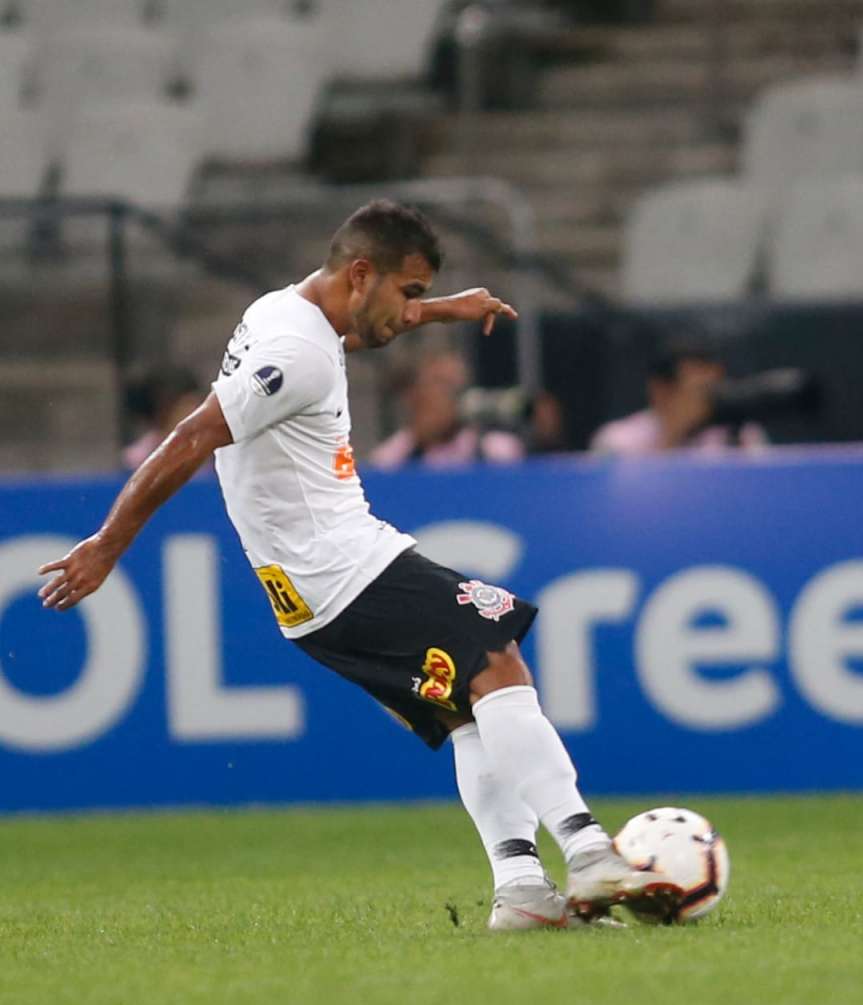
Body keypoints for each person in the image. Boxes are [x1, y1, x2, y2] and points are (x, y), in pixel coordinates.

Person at [37, 200, 667, 930]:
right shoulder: (298, 353)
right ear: (362, 274)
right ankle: (588, 853)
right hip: (343, 568)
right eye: (410, 291)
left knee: (469, 711)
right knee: (497, 659)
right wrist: (107, 544)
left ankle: (522, 888)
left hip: (308, 598)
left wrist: (441, 310)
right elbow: (190, 438)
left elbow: (357, 328)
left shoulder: (284, 310)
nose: (410, 309)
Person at [590, 337, 767, 456]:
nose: (708, 399)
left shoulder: (741, 436)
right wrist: (674, 434)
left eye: (715, 388)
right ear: (660, 391)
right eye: (700, 390)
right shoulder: (616, 440)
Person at [369, 347, 524, 468]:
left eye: (457, 386)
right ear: (413, 394)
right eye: (442, 384)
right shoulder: (389, 461)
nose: (453, 395)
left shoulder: (499, 453)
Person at [122, 365, 203, 471]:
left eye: (198, 406)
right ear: (165, 409)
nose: (196, 414)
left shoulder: (209, 453)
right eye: (186, 408)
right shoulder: (138, 459)